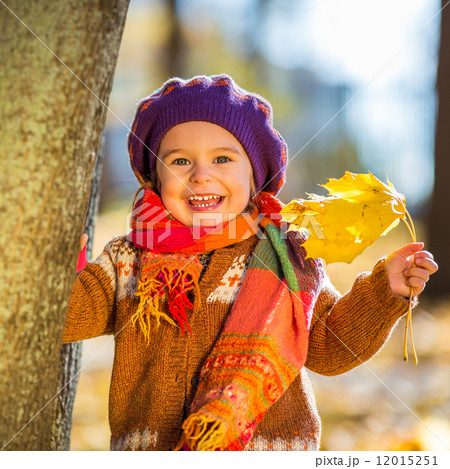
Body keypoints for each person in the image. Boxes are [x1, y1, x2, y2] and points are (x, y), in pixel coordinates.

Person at [63, 74, 438, 451]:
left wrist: (383, 292)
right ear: (155, 179)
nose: (201, 175)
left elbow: (328, 347)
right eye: (179, 161)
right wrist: (62, 273)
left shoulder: (287, 257)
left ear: (255, 176)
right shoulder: (128, 260)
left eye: (222, 158)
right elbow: (71, 316)